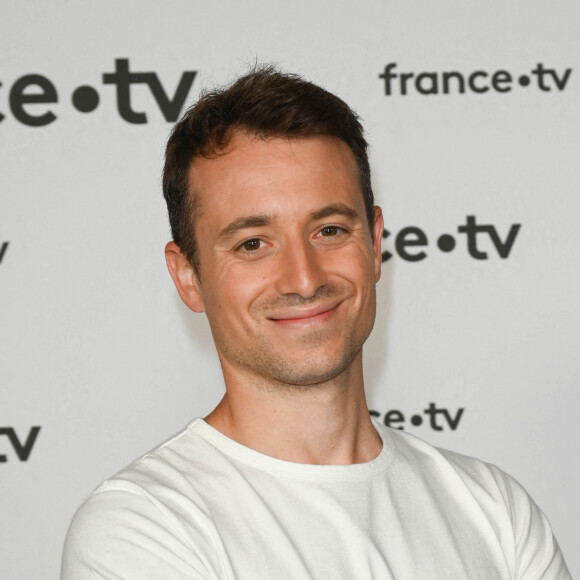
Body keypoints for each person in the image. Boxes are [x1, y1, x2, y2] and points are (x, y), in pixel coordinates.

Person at [61, 67, 570, 579]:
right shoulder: (143, 526)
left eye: (328, 230)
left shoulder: (495, 511)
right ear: (188, 276)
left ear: (374, 245)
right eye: (253, 244)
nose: (303, 279)